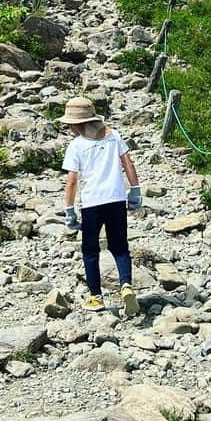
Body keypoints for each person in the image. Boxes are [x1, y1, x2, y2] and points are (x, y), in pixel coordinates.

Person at [62, 96, 142, 317]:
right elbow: (128, 163)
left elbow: (72, 180)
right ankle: (126, 285)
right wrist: (135, 190)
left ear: (77, 124)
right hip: (116, 200)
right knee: (119, 246)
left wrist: (69, 210)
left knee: (90, 250)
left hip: (92, 203)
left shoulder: (76, 145)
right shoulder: (113, 136)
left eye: (69, 123)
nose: (68, 126)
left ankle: (96, 297)